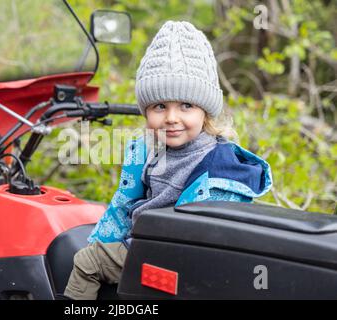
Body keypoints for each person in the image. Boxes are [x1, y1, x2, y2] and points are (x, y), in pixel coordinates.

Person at [64, 21, 273, 300]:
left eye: (185, 105)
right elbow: (123, 205)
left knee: (87, 262)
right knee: (93, 253)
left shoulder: (220, 168)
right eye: (160, 106)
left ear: (205, 112)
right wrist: (102, 241)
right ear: (146, 110)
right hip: (147, 244)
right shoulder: (147, 151)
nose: (172, 118)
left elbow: (216, 234)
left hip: (173, 258)